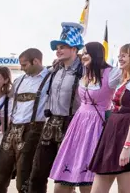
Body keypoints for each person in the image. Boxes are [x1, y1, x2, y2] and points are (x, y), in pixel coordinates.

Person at [49, 41, 120, 192]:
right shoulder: (84, 72)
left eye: (87, 53)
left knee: (88, 183)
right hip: (78, 125)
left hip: (97, 126)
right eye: (84, 53)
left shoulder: (111, 73)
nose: (83, 56)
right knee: (61, 184)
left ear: (97, 54)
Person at [30, 22, 85, 193]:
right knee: (38, 173)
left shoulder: (85, 70)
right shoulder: (54, 69)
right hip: (50, 124)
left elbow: (111, 75)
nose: (58, 50)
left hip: (72, 125)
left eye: (63, 47)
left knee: (65, 176)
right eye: (57, 47)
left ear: (75, 48)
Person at [88, 43, 130, 193]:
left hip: (128, 135)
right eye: (119, 55)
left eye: (124, 55)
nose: (119, 58)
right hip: (112, 132)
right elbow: (98, 67)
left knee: (125, 190)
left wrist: (127, 146)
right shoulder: (123, 77)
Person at [0, 48, 52, 193]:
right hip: (12, 129)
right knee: (0, 172)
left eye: (24, 65)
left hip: (33, 130)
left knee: (26, 175)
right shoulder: (19, 80)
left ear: (36, 61)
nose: (21, 68)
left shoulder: (51, 77)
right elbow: (4, 97)